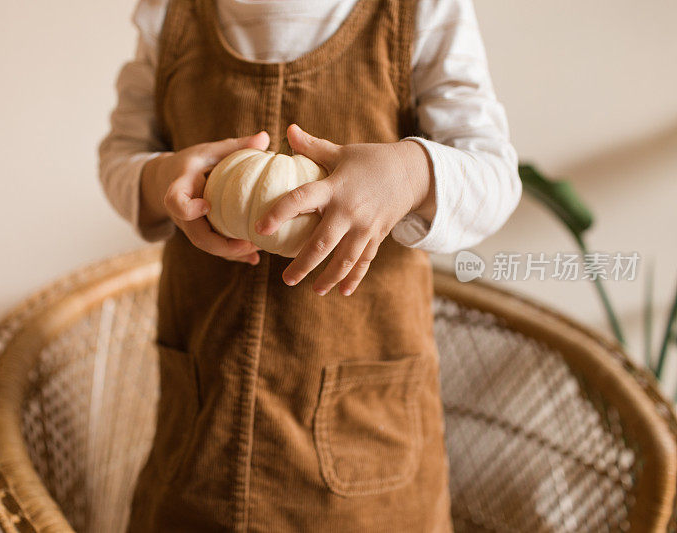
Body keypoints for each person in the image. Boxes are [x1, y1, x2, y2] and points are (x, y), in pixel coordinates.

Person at [98, 0, 520, 530]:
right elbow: (122, 154)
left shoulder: (423, 10)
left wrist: (410, 174)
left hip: (365, 459)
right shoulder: (170, 13)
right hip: (202, 438)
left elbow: (496, 177)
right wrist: (160, 179)